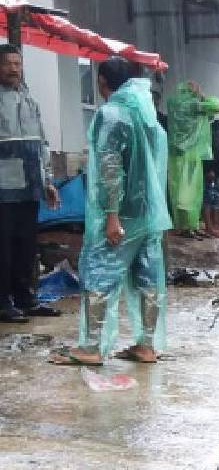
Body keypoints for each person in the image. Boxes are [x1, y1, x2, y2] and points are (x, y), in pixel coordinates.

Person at [48, 57, 170, 366]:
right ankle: (146, 344)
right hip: (148, 213)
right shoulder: (147, 114)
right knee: (146, 275)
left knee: (99, 273)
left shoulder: (112, 114)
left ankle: (90, 348)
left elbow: (110, 168)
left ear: (102, 82)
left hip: (121, 213)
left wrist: (112, 215)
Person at [0, 43, 61, 323]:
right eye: (8, 64)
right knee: (4, 246)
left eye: (18, 64)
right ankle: (3, 302)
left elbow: (41, 142)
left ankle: (26, 298)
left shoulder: (27, 98)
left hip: (29, 187)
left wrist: (47, 180)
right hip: (3, 189)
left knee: (26, 244)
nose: (14, 69)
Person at [165, 81, 219, 237]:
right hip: (191, 154)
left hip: (175, 154)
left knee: (177, 191)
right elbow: (216, 106)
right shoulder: (194, 105)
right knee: (191, 192)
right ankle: (190, 225)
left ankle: (180, 225)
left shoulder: (173, 103)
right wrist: (201, 94)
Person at [201, 168, 219, 237]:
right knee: (208, 196)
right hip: (209, 167)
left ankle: (215, 226)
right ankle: (210, 228)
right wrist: (209, 170)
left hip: (217, 168)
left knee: (216, 196)